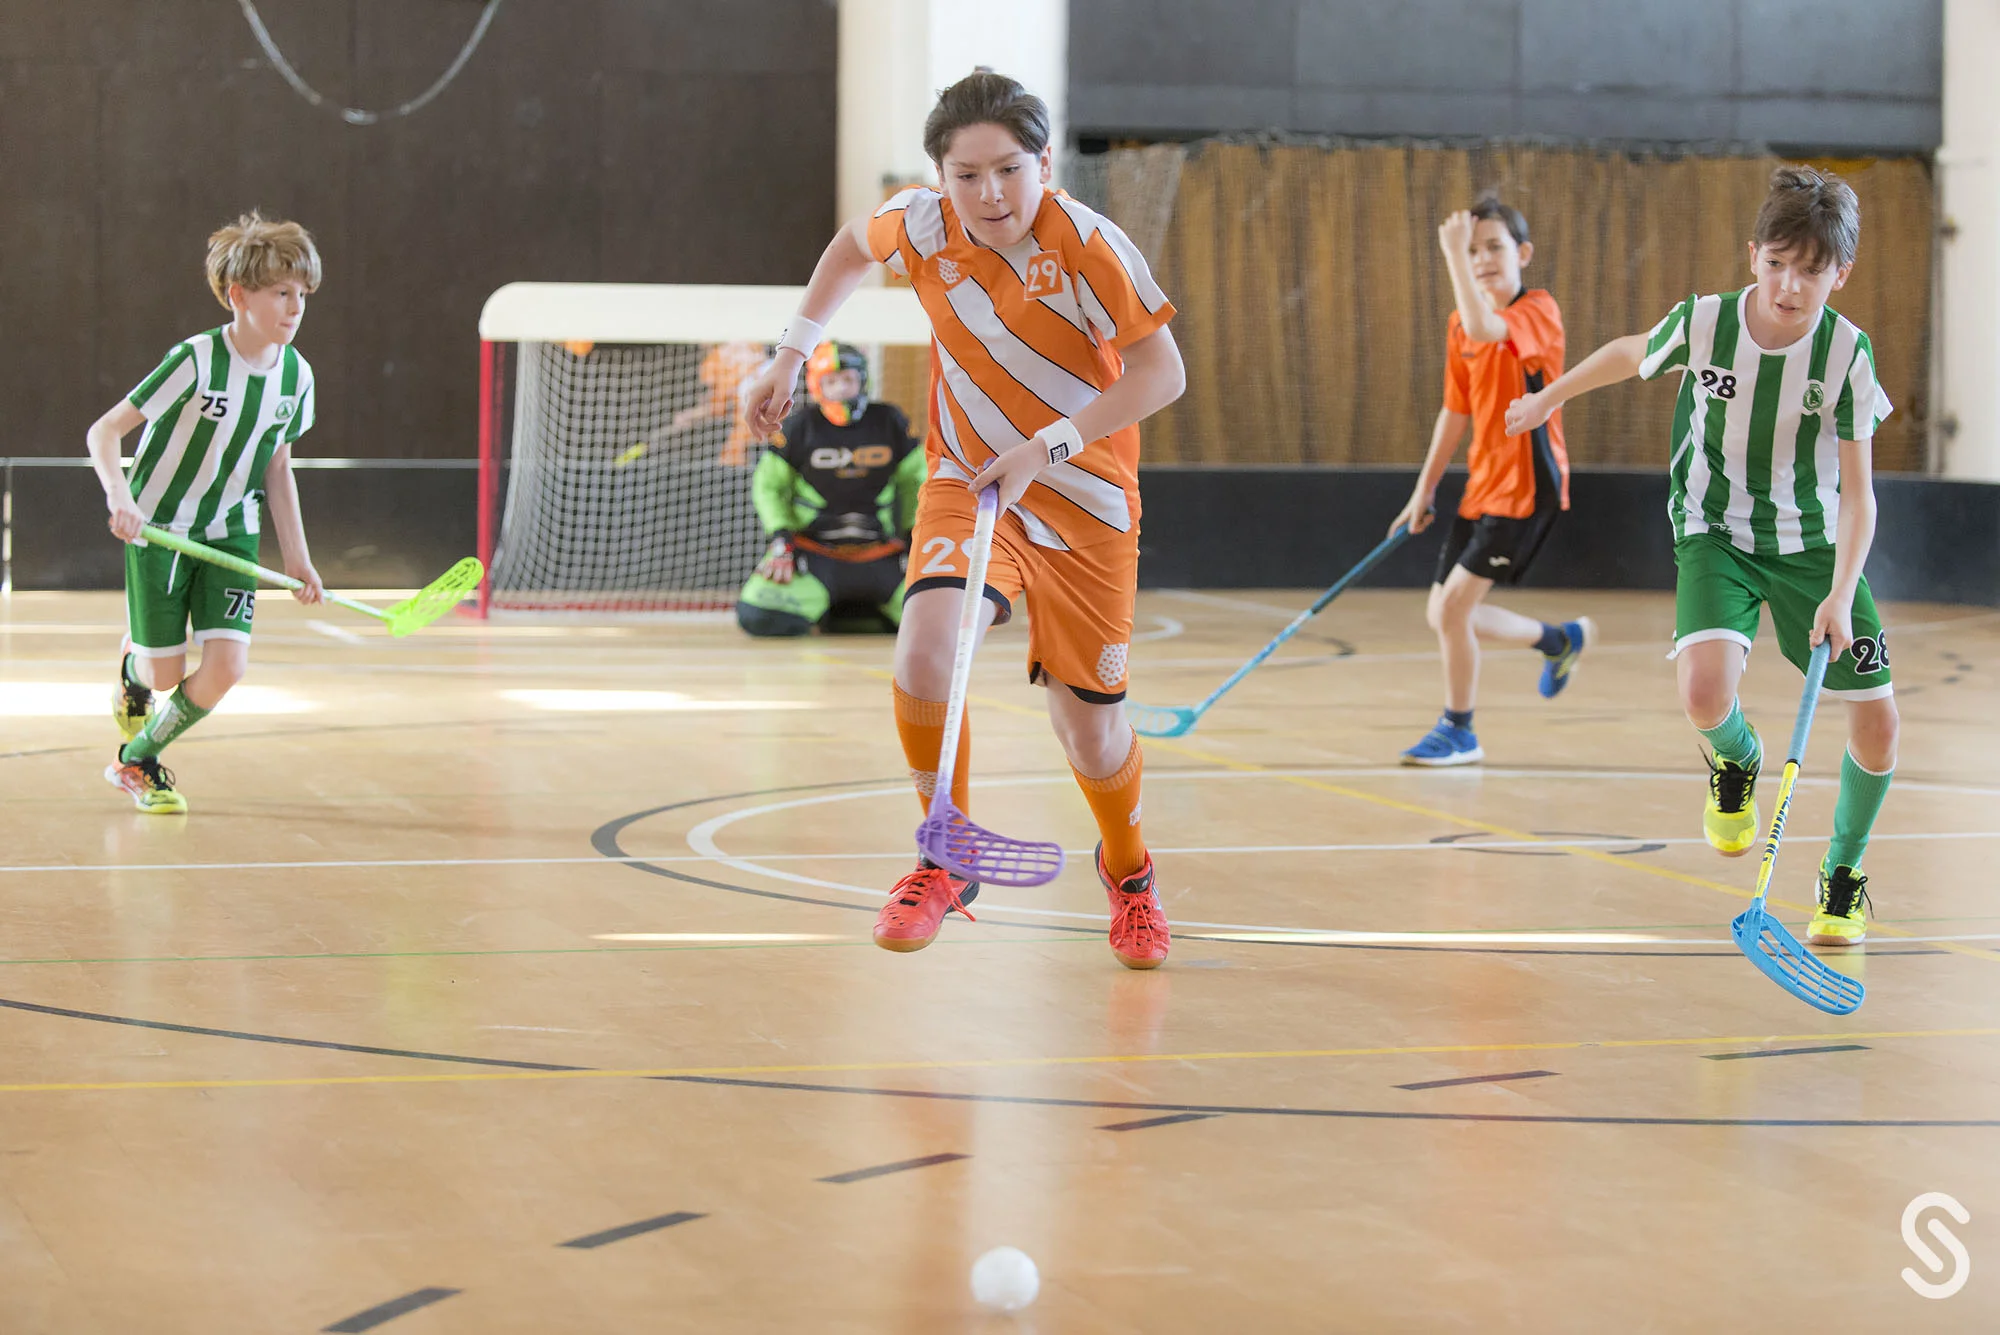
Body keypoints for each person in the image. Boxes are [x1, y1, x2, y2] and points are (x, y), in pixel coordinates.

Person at [741, 68, 1186, 969]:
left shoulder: (1090, 246)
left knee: (1089, 731)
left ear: (1044, 164)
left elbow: (1161, 373)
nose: (990, 194)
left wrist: (1046, 449)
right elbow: (849, 247)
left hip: (1087, 502)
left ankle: (1130, 874)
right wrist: (791, 354)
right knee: (925, 652)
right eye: (967, 174)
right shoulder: (920, 225)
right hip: (973, 479)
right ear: (939, 177)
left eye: (1009, 169)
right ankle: (946, 857)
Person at [1506, 165, 1895, 946]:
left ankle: (1843, 875)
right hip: (1714, 529)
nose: (1789, 286)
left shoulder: (1847, 355)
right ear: (1753, 255)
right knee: (1703, 692)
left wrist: (1839, 591)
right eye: (1776, 263)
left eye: (1811, 271)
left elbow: (1859, 495)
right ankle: (1737, 759)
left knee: (1879, 724)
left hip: (1815, 546)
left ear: (1841, 275)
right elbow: (1630, 352)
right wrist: (1550, 397)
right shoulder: (1707, 323)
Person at [87, 212, 326, 813]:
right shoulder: (195, 360)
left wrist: (298, 559)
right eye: (281, 293)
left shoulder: (296, 377)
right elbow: (105, 431)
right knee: (163, 676)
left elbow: (277, 468)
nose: (295, 307)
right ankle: (134, 667)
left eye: (302, 294)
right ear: (238, 296)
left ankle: (136, 758)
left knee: (227, 667)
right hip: (160, 529)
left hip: (231, 531)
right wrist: (120, 497)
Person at [1390, 198, 1592, 766]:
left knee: (1453, 611)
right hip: (1483, 485)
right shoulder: (1459, 323)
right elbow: (1454, 410)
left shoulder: (1538, 310)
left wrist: (1452, 252)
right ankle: (1557, 641)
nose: (1481, 259)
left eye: (1493, 247)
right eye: (1473, 249)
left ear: (1523, 253)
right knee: (1444, 613)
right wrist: (1425, 488)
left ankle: (1459, 730)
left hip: (1527, 489)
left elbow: (1487, 325)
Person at [736, 342, 924, 636]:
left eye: (848, 379)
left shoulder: (890, 421)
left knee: (952, 614)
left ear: (863, 380)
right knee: (757, 614)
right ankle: (843, 609)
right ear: (816, 384)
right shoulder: (798, 427)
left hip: (883, 555)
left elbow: (918, 482)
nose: (841, 388)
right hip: (814, 557)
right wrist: (781, 538)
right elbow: (768, 487)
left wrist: (916, 535)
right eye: (831, 381)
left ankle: (852, 611)